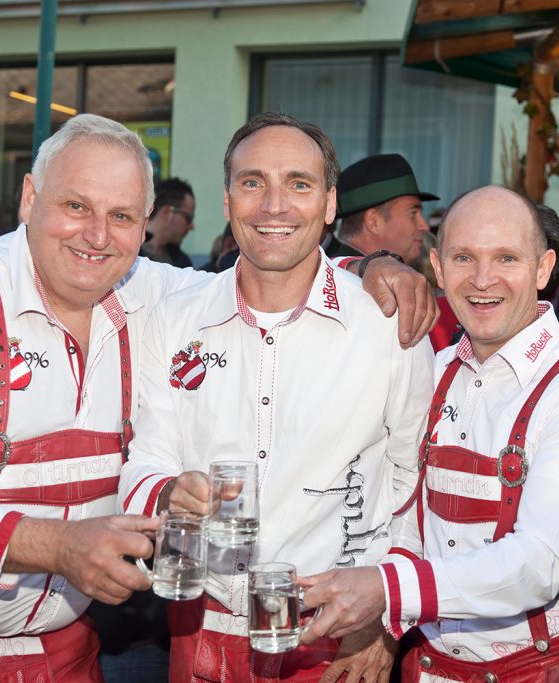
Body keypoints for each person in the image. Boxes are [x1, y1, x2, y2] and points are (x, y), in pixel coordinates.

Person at [0, 112, 438, 682]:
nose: (97, 236)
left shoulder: (147, 292)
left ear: (144, 225)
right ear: (29, 198)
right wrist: (56, 546)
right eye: (75, 206)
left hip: (62, 643)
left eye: (121, 216)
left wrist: (367, 269)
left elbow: (270, 273)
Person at [119, 112, 435, 682]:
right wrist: (167, 493)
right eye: (252, 182)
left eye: (298, 184)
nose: (273, 205)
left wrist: (387, 616)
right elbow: (145, 457)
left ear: (330, 204)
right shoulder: (174, 319)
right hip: (200, 630)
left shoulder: (388, 324)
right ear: (226, 199)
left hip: (335, 638)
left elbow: (417, 483)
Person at [299, 185, 559, 682]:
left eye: (506, 258)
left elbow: (538, 566)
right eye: (463, 258)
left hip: (548, 669)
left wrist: (387, 591)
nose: (483, 279)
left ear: (543, 269)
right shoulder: (435, 371)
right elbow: (410, 520)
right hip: (432, 666)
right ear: (438, 269)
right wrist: (386, 626)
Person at [331, 153, 438, 262]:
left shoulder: (339, 268)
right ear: (374, 222)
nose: (425, 226)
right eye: (413, 213)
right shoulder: (344, 272)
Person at [140, 177, 196, 267]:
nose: (191, 226)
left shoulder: (182, 262)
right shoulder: (129, 252)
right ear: (166, 213)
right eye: (188, 218)